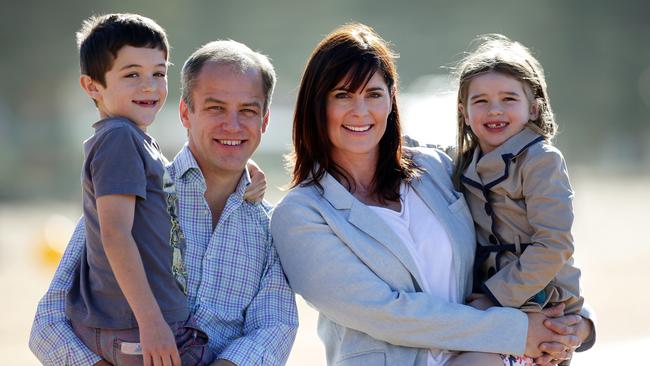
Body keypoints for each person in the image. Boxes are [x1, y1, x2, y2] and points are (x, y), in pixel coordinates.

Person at [270, 23, 593, 366]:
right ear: (315, 106)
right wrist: (516, 331)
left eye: (374, 94)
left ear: (392, 100)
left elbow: (528, 233)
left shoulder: (437, 168)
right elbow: (386, 313)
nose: (360, 111)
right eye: (342, 95)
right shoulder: (300, 215)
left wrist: (576, 324)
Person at [29, 39, 298, 366]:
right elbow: (49, 322)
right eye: (215, 108)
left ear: (264, 122)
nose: (233, 125)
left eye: (248, 111)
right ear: (186, 112)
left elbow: (273, 328)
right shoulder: (131, 192)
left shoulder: (271, 231)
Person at [67, 13, 210, 366]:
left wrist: (242, 172)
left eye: (158, 73)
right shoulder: (118, 138)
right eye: (132, 74)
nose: (149, 85)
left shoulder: (136, 140)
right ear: (92, 87)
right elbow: (115, 234)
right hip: (135, 326)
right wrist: (151, 322)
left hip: (142, 322)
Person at [447, 34, 585, 366]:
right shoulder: (462, 162)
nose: (494, 109)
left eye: (509, 98)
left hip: (540, 302)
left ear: (534, 108)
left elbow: (554, 245)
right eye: (480, 101)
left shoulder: (542, 160)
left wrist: (494, 298)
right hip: (489, 303)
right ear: (464, 112)